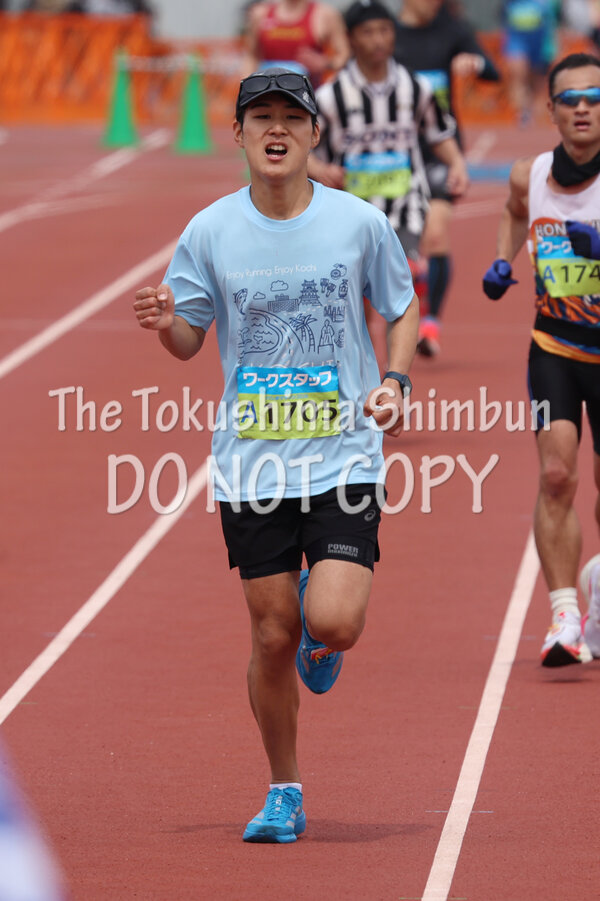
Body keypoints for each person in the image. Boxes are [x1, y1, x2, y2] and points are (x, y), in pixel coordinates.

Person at [133, 66, 419, 841]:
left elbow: (401, 306)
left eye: (291, 116)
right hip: (253, 464)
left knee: (334, 619)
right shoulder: (210, 230)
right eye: (260, 117)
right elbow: (188, 340)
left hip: (343, 457)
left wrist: (394, 380)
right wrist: (164, 320)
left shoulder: (358, 223)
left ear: (314, 132)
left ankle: (325, 640)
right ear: (238, 134)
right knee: (270, 633)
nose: (276, 129)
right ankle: (284, 787)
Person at [482, 52, 600, 667]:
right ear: (550, 109)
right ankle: (564, 616)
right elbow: (512, 213)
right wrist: (503, 261)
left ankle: (598, 582)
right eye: (570, 99)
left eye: (594, 97)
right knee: (556, 475)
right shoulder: (529, 175)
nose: (583, 108)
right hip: (554, 346)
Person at [308, 0, 468, 358]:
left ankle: (398, 370)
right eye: (368, 33)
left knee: (406, 277)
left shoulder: (415, 87)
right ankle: (364, 368)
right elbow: (302, 147)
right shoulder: (329, 97)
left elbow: (439, 133)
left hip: (405, 203)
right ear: (351, 38)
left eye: (384, 31)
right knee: (358, 299)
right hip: (349, 210)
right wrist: (319, 169)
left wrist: (457, 164)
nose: (378, 40)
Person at [394, 0, 500, 357]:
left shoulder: (452, 31)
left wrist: (475, 63)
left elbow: (493, 72)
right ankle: (408, 305)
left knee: (436, 233)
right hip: (393, 157)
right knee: (399, 247)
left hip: (441, 149)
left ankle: (431, 323)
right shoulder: (386, 35)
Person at [243, 0, 350, 87]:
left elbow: (344, 55)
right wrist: (248, 85)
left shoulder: (325, 15)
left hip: (309, 96)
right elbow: (251, 55)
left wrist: (324, 64)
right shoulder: (261, 14)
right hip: (268, 92)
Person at [501, 0, 561, 126]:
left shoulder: (550, 3)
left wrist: (554, 45)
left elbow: (556, 20)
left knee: (538, 83)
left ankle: (537, 119)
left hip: (541, 41)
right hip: (517, 39)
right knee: (517, 75)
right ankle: (522, 114)